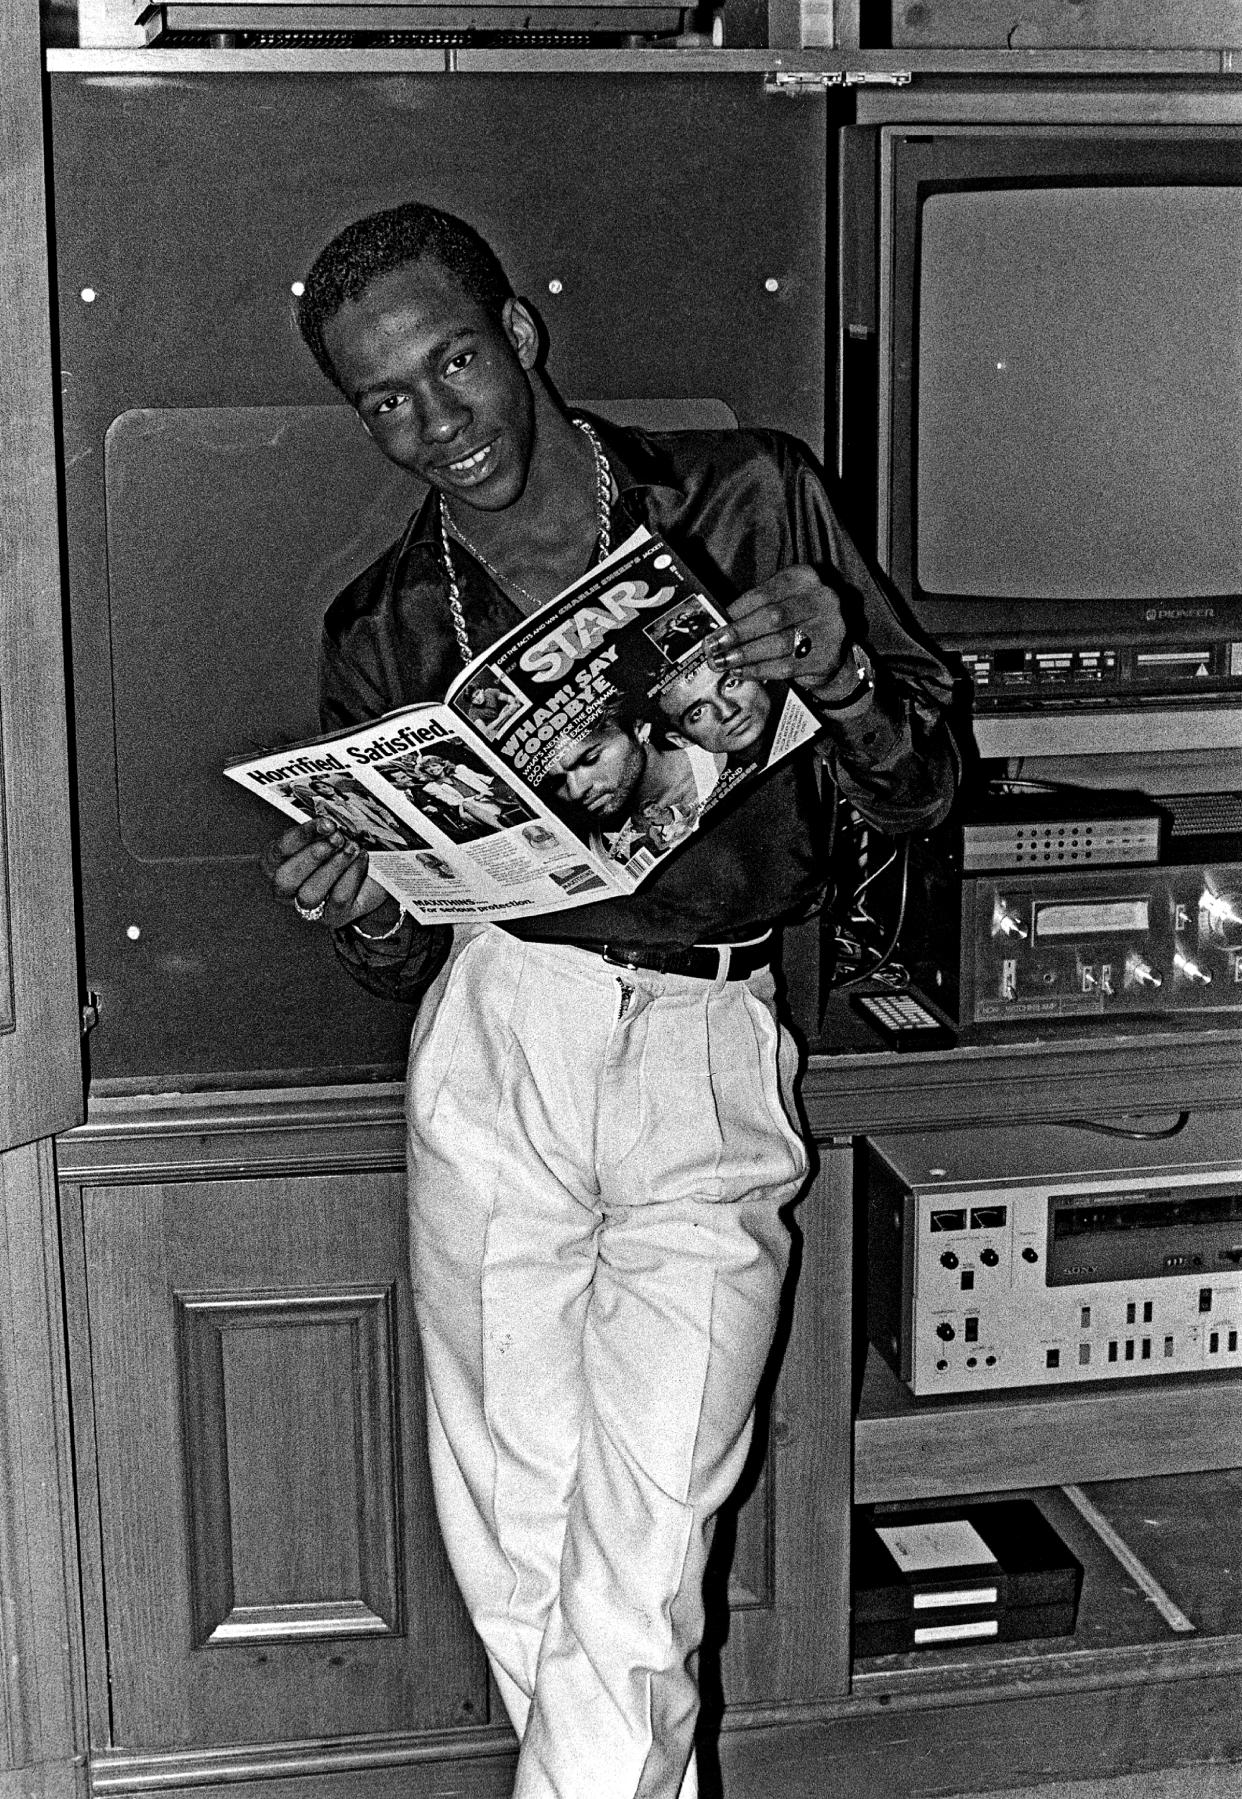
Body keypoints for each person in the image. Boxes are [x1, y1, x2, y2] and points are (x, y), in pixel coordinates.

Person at [259, 200, 959, 1799]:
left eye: (452, 366)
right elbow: (405, 949)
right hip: (501, 1044)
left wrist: (838, 674)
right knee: (524, 1560)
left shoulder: (745, 495)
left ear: (519, 335)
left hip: (704, 1051)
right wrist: (362, 908)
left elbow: (921, 788)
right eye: (384, 400)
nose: (435, 425)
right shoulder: (382, 627)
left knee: (638, 1564)